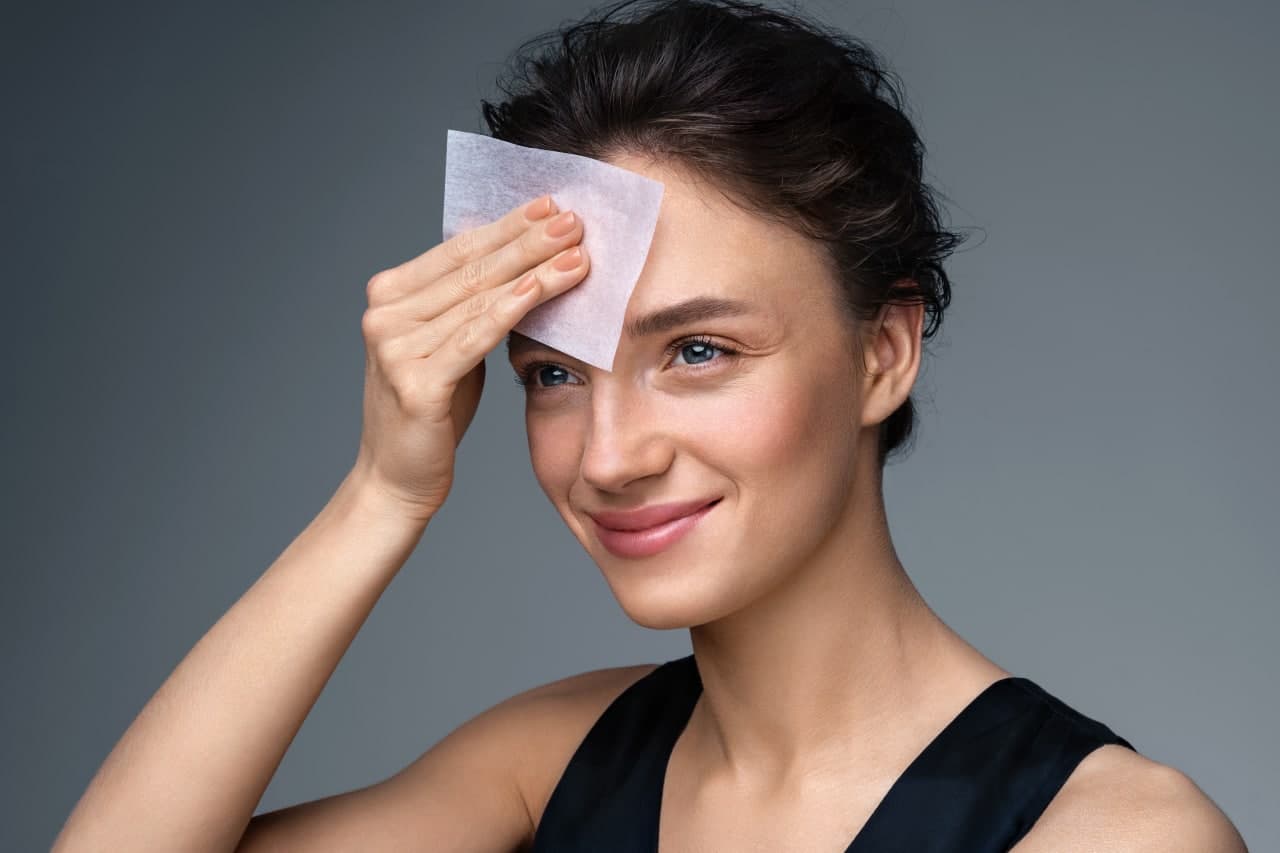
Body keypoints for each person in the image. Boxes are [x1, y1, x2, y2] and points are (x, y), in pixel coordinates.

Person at [54, 0, 1246, 850]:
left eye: (697, 351)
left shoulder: (1111, 831)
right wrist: (382, 495)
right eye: (552, 374)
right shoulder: (546, 763)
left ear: (881, 352)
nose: (610, 456)